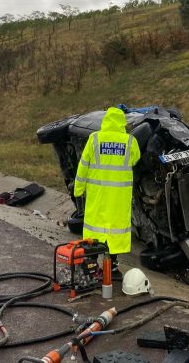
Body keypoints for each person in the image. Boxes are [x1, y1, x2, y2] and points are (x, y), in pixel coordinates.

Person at [74, 107, 141, 280]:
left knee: (94, 230)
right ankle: (111, 267)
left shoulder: (94, 139)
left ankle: (90, 265)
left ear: (105, 121)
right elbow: (135, 159)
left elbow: (83, 166)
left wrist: (78, 189)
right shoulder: (130, 141)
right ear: (122, 123)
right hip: (118, 199)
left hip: (98, 196)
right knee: (114, 233)